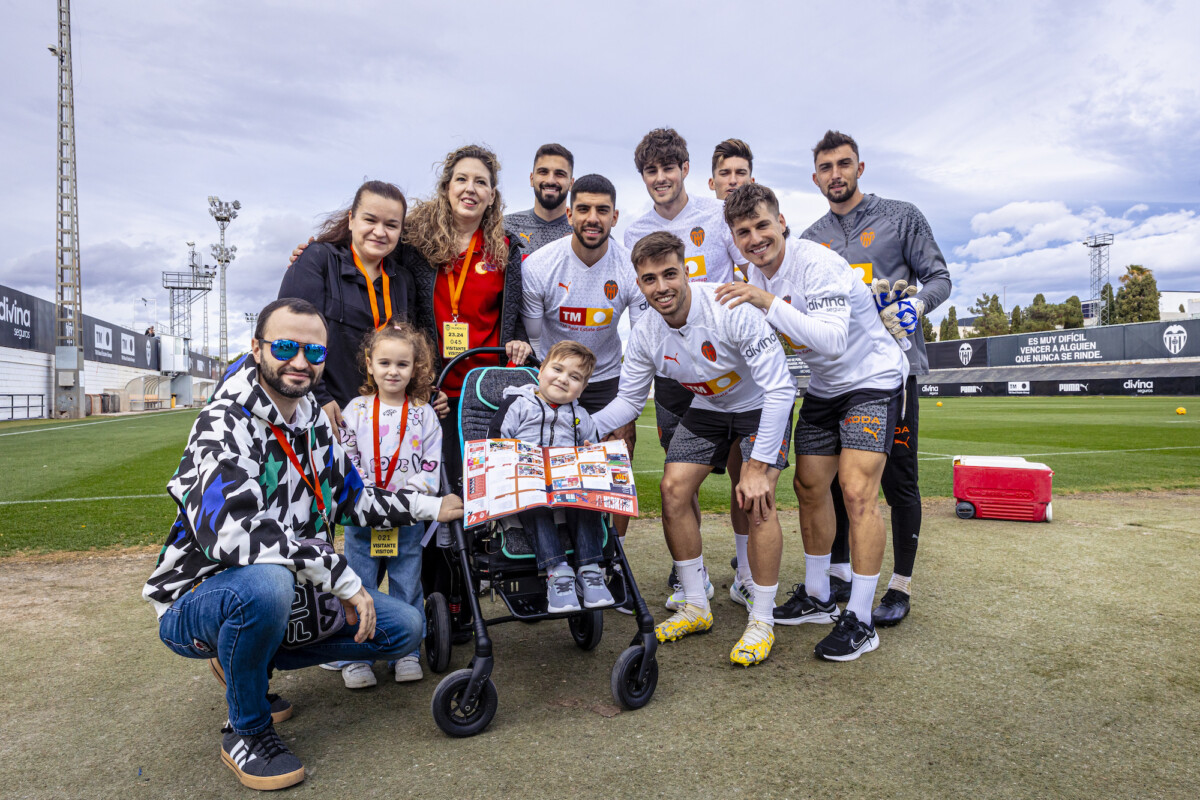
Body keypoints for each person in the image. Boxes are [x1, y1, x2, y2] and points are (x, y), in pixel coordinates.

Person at [143, 298, 463, 790]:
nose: (300, 361)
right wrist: (342, 580)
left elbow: (353, 500)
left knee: (405, 628)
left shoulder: (313, 417)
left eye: (313, 350)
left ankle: (246, 657)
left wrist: (430, 507)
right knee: (265, 586)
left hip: (290, 587)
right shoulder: (221, 423)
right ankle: (246, 730)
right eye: (286, 346)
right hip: (198, 598)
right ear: (257, 349)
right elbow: (235, 533)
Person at [718, 183, 908, 662]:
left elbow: (831, 341)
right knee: (808, 485)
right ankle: (820, 594)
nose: (755, 238)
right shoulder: (754, 272)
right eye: (743, 232)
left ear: (782, 222)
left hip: (871, 377)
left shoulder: (816, 263)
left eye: (762, 225)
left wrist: (767, 302)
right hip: (824, 388)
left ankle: (861, 619)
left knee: (857, 491)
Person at [592, 232, 795, 667]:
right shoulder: (645, 330)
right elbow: (628, 402)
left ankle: (762, 619)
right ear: (639, 285)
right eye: (649, 279)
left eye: (670, 274)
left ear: (687, 271)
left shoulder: (727, 309)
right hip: (709, 407)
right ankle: (696, 605)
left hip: (762, 403)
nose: (661, 287)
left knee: (755, 496)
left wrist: (757, 466)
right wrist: (576, 426)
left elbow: (781, 388)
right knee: (673, 489)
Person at [801, 130, 952, 626]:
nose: (835, 175)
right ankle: (841, 573)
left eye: (844, 164)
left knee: (898, 480)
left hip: (895, 369)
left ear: (860, 168)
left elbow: (940, 278)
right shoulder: (810, 239)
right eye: (826, 167)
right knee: (841, 481)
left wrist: (915, 305)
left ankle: (900, 586)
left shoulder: (901, 216)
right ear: (816, 175)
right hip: (835, 375)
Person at [622, 128, 754, 609]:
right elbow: (639, 302)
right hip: (674, 371)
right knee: (683, 476)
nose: (661, 178)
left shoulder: (717, 215)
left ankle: (745, 568)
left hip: (726, 360)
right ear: (644, 176)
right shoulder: (634, 231)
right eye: (651, 171)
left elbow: (750, 271)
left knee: (744, 475)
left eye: (668, 168)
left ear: (685, 170)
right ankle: (691, 577)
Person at [399, 144, 533, 493]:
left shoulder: (506, 248)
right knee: (434, 487)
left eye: (480, 182)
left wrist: (518, 339)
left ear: (492, 196)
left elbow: (512, 316)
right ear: (447, 188)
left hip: (485, 389)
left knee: (485, 488)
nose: (470, 189)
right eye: (462, 179)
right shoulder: (415, 243)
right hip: (433, 387)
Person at [520, 173, 645, 538]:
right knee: (548, 468)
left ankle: (614, 552)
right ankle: (550, 552)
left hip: (605, 378)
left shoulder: (629, 268)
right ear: (570, 215)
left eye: (602, 210)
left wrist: (626, 401)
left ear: (615, 217)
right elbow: (533, 337)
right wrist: (556, 382)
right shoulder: (540, 265)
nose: (593, 218)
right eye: (584, 209)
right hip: (553, 378)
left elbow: (641, 341)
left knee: (619, 461)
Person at [325, 323, 442, 688]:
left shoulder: (424, 414)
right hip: (362, 517)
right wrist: (368, 497)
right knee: (358, 584)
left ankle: (405, 652)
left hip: (407, 518)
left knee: (407, 583)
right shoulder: (356, 409)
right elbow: (346, 456)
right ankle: (357, 656)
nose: (393, 371)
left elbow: (431, 465)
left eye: (403, 364)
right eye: (385, 363)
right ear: (370, 365)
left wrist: (405, 499)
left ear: (416, 369)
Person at [279, 180, 428, 430]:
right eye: (370, 220)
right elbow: (290, 336)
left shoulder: (403, 281)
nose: (380, 232)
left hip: (384, 423)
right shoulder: (318, 260)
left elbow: (410, 348)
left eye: (391, 225)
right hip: (325, 416)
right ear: (351, 220)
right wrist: (319, 398)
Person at [494, 340, 615, 612]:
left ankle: (590, 570)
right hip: (527, 493)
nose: (563, 379)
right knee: (534, 504)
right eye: (557, 369)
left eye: (574, 377)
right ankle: (557, 572)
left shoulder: (582, 416)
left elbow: (592, 451)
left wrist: (589, 456)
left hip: (567, 492)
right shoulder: (517, 405)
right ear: (540, 371)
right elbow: (495, 445)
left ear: (582, 388)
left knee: (587, 498)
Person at [504, 143, 575, 255]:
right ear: (532, 179)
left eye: (560, 174)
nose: (550, 180)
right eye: (543, 172)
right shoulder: (505, 227)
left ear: (571, 183)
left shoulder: (583, 234)